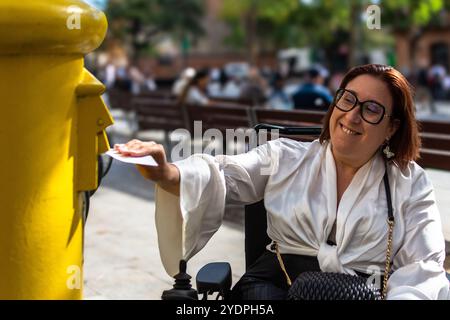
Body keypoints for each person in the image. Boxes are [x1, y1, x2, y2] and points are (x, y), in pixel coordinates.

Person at [115, 64, 449, 300]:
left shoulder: (410, 183)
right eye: (347, 99)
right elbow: (222, 175)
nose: (351, 115)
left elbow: (423, 267)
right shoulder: (284, 156)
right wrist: (166, 173)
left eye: (372, 109)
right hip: (272, 287)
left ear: (392, 127)